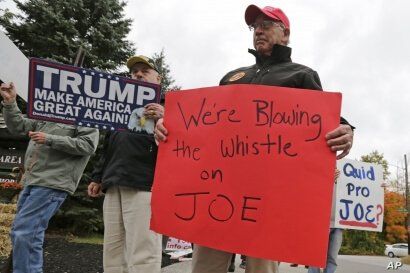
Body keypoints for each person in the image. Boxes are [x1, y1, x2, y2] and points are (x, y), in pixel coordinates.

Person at [154, 4, 354, 273]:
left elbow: (323, 121)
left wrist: (346, 129)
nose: (258, 30)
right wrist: (170, 127)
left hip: (270, 200)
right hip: (220, 197)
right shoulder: (231, 78)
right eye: (255, 26)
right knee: (205, 267)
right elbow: (207, 126)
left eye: (267, 25)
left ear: (285, 34)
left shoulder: (301, 75)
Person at [0, 82, 99, 273]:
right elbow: (19, 126)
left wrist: (50, 138)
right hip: (31, 181)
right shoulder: (49, 112)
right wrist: (10, 102)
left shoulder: (86, 115)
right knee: (25, 234)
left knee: (25, 233)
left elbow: (88, 146)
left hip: (53, 183)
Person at [88, 55, 164, 273]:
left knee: (142, 250)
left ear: (158, 78)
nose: (138, 74)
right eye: (134, 72)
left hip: (145, 184)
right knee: (113, 250)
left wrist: (165, 117)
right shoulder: (118, 109)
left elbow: (185, 142)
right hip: (113, 184)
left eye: (144, 71)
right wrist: (97, 176)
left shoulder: (168, 106)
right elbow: (108, 144)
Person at [308, 170, 343, 273]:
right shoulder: (319, 172)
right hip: (320, 221)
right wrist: (328, 179)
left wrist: (378, 188)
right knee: (315, 257)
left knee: (332, 258)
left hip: (338, 223)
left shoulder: (347, 174)